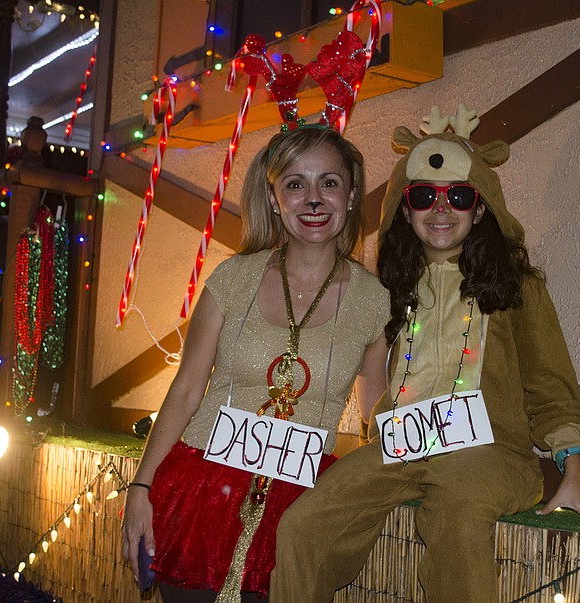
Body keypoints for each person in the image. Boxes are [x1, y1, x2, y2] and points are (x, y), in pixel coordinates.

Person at [270, 104, 580, 602]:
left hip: (490, 454)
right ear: (404, 207)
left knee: (458, 516)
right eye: (423, 196)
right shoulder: (388, 288)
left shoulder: (517, 288)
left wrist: (571, 471)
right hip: (400, 447)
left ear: (480, 208)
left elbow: (551, 387)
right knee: (302, 526)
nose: (441, 209)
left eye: (458, 196)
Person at [120, 126, 390, 603]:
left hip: (298, 512)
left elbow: (378, 414)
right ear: (274, 197)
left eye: (329, 182)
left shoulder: (376, 302)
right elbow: (185, 391)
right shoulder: (232, 279)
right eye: (295, 184)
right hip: (200, 490)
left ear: (350, 196)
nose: (313, 199)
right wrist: (141, 486)